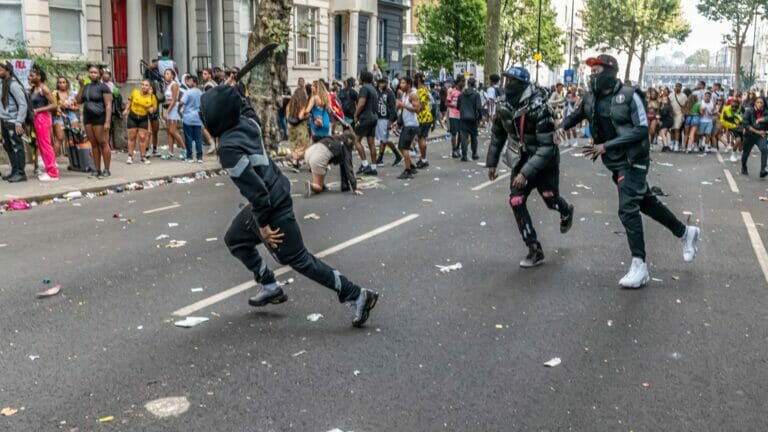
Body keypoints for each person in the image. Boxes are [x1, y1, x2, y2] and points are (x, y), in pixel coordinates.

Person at [199, 85, 379, 326]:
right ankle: (269, 284)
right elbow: (246, 106)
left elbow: (258, 193)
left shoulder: (228, 150)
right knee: (235, 238)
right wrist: (231, 90)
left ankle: (357, 295)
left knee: (299, 259)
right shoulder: (249, 123)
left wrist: (263, 226)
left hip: (270, 204)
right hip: (275, 192)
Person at [557, 54, 700, 288]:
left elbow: (641, 130)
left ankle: (639, 265)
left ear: (610, 71)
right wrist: (561, 127)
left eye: (597, 70)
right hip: (615, 162)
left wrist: (605, 146)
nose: (593, 75)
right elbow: (576, 115)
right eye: (591, 71)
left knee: (627, 208)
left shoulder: (630, 96)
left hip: (634, 159)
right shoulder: (589, 97)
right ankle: (686, 233)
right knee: (645, 202)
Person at [486, 67, 574, 268]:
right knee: (516, 200)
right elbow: (498, 134)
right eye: (507, 81)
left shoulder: (540, 108)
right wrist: (492, 162)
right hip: (520, 159)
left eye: (513, 82)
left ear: (524, 84)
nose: (508, 86)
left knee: (550, 199)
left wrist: (526, 173)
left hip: (545, 163)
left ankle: (566, 210)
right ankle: (534, 248)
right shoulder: (503, 106)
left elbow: (546, 148)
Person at [77, 65, 113, 178]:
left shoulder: (103, 87)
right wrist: (81, 86)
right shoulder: (86, 86)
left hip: (100, 117)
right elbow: (79, 101)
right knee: (94, 144)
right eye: (91, 72)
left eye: (95, 72)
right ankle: (97, 169)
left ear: (99, 74)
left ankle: (106, 170)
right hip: (88, 117)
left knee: (103, 142)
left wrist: (107, 121)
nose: (93, 74)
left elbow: (108, 105)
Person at [304, 131, 364, 197]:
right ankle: (311, 186)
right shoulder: (345, 146)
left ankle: (321, 184)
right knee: (318, 187)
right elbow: (348, 167)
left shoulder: (333, 137)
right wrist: (354, 187)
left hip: (309, 153)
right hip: (318, 158)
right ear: (349, 140)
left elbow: (314, 137)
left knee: (324, 166)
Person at [28, 66, 59, 181]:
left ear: (39, 77)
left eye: (32, 75)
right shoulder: (34, 89)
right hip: (37, 118)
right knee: (41, 146)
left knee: (46, 146)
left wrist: (38, 110)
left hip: (43, 118)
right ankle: (49, 170)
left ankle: (53, 173)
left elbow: (54, 105)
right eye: (29, 75)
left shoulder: (44, 88)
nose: (29, 77)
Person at [0, 61, 28, 182]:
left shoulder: (14, 85)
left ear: (8, 70)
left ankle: (21, 173)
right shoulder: (3, 84)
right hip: (5, 120)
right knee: (9, 147)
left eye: (1, 69)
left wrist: (18, 122)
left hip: (13, 122)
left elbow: (23, 105)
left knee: (17, 147)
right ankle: (14, 171)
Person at [123, 79, 157, 164]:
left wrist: (151, 109)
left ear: (149, 87)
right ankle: (130, 157)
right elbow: (130, 102)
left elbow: (154, 108)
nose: (144, 86)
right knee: (132, 137)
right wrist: (126, 110)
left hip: (143, 118)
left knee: (142, 137)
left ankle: (143, 157)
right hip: (133, 116)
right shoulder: (135, 92)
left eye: (146, 85)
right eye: (142, 84)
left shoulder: (152, 97)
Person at [395, 77, 422, 180]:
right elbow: (404, 111)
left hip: (411, 125)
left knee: (404, 147)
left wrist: (403, 106)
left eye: (403, 83)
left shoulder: (412, 94)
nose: (401, 85)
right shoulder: (406, 94)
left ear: (408, 84)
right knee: (401, 147)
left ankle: (408, 171)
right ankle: (412, 166)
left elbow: (417, 109)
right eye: (400, 83)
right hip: (407, 124)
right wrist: (397, 122)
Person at [353, 71, 379, 175]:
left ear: (362, 79)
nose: (358, 79)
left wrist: (356, 114)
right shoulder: (373, 89)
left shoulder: (364, 88)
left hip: (366, 118)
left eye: (359, 77)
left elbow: (361, 103)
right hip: (374, 117)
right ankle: (373, 167)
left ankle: (365, 164)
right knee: (371, 143)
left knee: (356, 140)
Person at [374, 77, 401, 166]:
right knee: (383, 139)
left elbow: (393, 108)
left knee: (384, 139)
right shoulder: (378, 92)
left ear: (386, 83)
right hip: (379, 118)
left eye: (383, 82)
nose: (381, 84)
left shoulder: (389, 93)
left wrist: (390, 121)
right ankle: (381, 158)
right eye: (379, 82)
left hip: (385, 119)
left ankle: (396, 156)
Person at [179, 75, 204, 163]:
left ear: (194, 82)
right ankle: (199, 157)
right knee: (198, 138)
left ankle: (190, 157)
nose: (188, 82)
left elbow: (181, 102)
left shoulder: (188, 92)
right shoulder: (201, 93)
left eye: (189, 81)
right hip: (197, 118)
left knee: (188, 138)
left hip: (188, 118)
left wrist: (179, 110)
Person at [741, 96, 768, 177]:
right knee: (746, 153)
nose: (759, 104)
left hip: (761, 136)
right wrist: (757, 132)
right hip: (750, 135)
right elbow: (746, 125)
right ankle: (744, 167)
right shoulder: (749, 111)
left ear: (764, 104)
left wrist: (761, 119)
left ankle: (763, 170)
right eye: (758, 102)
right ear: (754, 103)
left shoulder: (765, 111)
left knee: (764, 150)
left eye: (761, 102)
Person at [53, 76, 80, 157]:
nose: (62, 84)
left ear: (67, 83)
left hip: (71, 115)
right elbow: (53, 106)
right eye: (60, 82)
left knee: (75, 136)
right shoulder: (55, 93)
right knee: (60, 138)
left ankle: (75, 158)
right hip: (59, 115)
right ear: (57, 84)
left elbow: (77, 107)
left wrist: (72, 107)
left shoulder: (71, 93)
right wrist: (62, 105)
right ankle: (51, 161)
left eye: (63, 82)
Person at [457, 77, 483, 161]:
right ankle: (474, 153)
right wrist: (480, 117)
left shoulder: (461, 95)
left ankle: (464, 155)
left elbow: (458, 107)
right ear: (474, 84)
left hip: (463, 117)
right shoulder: (476, 94)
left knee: (464, 137)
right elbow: (479, 108)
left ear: (467, 84)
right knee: (473, 137)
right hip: (473, 118)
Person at [162, 68, 185, 159]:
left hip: (173, 108)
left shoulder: (174, 85)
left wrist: (167, 112)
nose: (166, 75)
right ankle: (170, 152)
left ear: (172, 75)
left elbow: (174, 99)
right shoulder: (167, 85)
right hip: (168, 107)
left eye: (168, 73)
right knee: (169, 132)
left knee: (173, 130)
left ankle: (185, 149)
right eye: (165, 74)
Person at [286, 86, 310, 171]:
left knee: (294, 145)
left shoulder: (290, 104)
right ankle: (297, 162)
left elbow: (287, 116)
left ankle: (295, 163)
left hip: (291, 127)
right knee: (303, 145)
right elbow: (300, 116)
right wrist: (307, 116)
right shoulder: (302, 104)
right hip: (300, 127)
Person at [414, 73, 433, 168]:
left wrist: (412, 109)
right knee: (420, 138)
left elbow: (420, 106)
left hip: (423, 118)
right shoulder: (423, 90)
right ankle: (422, 158)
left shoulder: (421, 91)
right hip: (423, 118)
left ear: (418, 80)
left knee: (422, 138)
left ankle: (424, 160)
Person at [721, 98, 744, 162]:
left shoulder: (742, 108)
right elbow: (722, 120)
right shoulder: (726, 109)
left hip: (740, 128)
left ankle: (740, 154)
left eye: (735, 106)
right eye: (732, 106)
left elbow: (745, 117)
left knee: (741, 143)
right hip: (732, 128)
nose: (733, 108)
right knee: (738, 140)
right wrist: (731, 126)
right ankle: (733, 154)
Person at [447, 78, 463, 158]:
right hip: (453, 114)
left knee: (461, 133)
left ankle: (457, 148)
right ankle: (454, 150)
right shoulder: (451, 92)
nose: (462, 84)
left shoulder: (463, 92)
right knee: (453, 133)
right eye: (461, 82)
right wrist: (454, 105)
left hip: (462, 115)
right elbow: (447, 103)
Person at [669, 82, 688, 152]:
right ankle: (672, 143)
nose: (677, 88)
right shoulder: (670, 95)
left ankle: (676, 144)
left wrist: (683, 116)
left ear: (681, 88)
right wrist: (670, 112)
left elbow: (685, 107)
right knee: (672, 130)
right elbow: (668, 105)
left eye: (678, 87)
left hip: (679, 114)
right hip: (671, 114)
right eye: (676, 86)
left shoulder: (684, 96)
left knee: (677, 129)